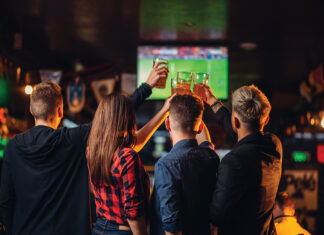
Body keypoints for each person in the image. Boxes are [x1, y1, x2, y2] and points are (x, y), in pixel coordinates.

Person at [0, 63, 168, 235]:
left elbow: (5, 200)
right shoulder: (70, 140)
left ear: (30, 110)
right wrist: (147, 87)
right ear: (60, 111)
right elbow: (113, 116)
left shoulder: (12, 147)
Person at [88, 93, 172, 235]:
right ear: (126, 118)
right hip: (124, 231)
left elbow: (136, 142)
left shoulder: (92, 150)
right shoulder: (127, 157)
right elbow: (133, 214)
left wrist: (164, 111)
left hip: (99, 228)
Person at [206, 85, 283, 235]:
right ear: (266, 120)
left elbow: (217, 215)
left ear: (235, 121)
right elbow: (245, 136)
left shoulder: (233, 161)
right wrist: (212, 102)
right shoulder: (274, 145)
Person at [150, 94, 220, 235]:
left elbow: (172, 228)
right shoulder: (210, 156)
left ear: (167, 124)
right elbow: (206, 141)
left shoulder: (165, 166)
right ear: (200, 127)